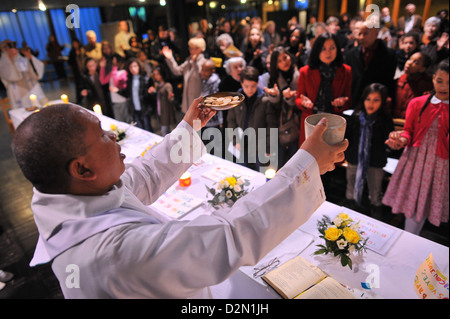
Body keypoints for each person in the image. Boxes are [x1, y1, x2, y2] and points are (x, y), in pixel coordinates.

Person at [11, 97, 348, 299]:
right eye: (102, 134)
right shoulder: (111, 253)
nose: (113, 136)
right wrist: (307, 165)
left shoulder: (71, 197)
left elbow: (140, 178)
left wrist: (189, 128)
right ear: (82, 169)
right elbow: (227, 237)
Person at [383, 59, 449, 235]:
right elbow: (408, 132)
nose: (444, 86)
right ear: (433, 78)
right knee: (412, 206)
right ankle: (409, 239)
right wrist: (400, 141)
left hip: (442, 163)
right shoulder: (417, 103)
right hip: (416, 159)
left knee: (428, 203)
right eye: (440, 80)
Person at [345, 83, 394, 219]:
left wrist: (391, 145)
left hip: (375, 162)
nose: (371, 103)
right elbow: (347, 137)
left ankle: (375, 215)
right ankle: (350, 212)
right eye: (368, 99)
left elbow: (388, 141)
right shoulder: (355, 116)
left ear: (382, 101)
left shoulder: (385, 119)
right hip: (355, 159)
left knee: (375, 191)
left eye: (376, 100)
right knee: (351, 185)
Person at [296, 32, 352, 147]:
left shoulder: (346, 71)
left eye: (332, 48)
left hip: (334, 124)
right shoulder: (305, 71)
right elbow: (298, 98)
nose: (328, 52)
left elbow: (348, 100)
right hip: (311, 122)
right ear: (317, 51)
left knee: (331, 160)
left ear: (338, 49)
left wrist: (341, 103)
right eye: (323, 49)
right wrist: (304, 103)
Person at [227, 66, 278, 172]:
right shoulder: (236, 99)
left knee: (260, 173)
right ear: (241, 83)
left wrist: (269, 147)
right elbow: (231, 121)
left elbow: (271, 125)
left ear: (257, 83)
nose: (250, 90)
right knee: (242, 173)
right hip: (241, 145)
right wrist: (235, 140)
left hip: (259, 147)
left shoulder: (264, 100)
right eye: (246, 86)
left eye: (253, 86)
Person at [344, 21, 397, 108]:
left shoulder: (389, 55)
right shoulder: (351, 53)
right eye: (359, 34)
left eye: (365, 34)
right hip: (355, 102)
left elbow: (389, 81)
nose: (361, 37)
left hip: (376, 102)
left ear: (376, 34)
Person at [263, 46, 300, 168]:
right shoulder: (274, 79)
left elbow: (300, 104)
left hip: (297, 126)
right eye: (279, 61)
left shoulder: (299, 76)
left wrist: (290, 98)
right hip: (279, 127)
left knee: (295, 164)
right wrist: (275, 96)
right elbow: (273, 108)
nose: (284, 62)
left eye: (285, 57)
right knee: (279, 165)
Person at [162, 37, 206, 113]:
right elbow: (177, 71)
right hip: (188, 103)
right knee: (190, 124)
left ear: (199, 49)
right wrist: (170, 58)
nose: (190, 50)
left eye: (192, 48)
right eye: (190, 48)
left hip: (199, 105)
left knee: (197, 124)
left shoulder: (204, 63)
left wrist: (194, 62)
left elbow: (202, 75)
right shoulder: (188, 61)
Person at [0, 39, 46, 109]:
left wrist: (29, 58)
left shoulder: (21, 56)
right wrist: (10, 58)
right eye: (5, 46)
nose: (8, 48)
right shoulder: (3, 62)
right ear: (2, 48)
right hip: (16, 90)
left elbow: (36, 71)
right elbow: (9, 75)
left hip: (32, 87)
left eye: (10, 45)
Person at [393, 52, 433, 119]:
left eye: (416, 62)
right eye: (409, 59)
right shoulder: (400, 80)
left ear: (422, 69)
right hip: (395, 120)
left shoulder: (427, 85)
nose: (409, 63)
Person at [119, 58, 154, 132]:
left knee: (148, 129)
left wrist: (151, 92)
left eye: (135, 66)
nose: (133, 69)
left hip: (144, 108)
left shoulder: (146, 79)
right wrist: (118, 90)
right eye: (131, 67)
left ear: (139, 66)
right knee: (139, 129)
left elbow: (150, 96)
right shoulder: (129, 80)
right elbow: (128, 94)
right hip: (134, 109)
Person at [200, 59, 223, 155]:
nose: (203, 72)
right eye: (202, 69)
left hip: (214, 121)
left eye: (206, 70)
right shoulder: (205, 81)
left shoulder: (215, 83)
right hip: (205, 119)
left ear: (213, 70)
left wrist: (220, 120)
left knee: (214, 149)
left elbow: (218, 102)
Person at [148, 66, 175, 136]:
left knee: (164, 132)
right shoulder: (158, 86)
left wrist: (170, 96)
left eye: (157, 74)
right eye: (154, 74)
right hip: (161, 113)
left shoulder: (167, 85)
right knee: (167, 132)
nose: (156, 76)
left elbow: (170, 95)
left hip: (166, 113)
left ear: (162, 74)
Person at [68, 38, 85, 104]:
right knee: (78, 85)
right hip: (76, 71)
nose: (75, 45)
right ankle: (79, 99)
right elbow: (70, 62)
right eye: (74, 44)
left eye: (76, 43)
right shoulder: (72, 52)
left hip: (83, 70)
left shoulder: (82, 50)